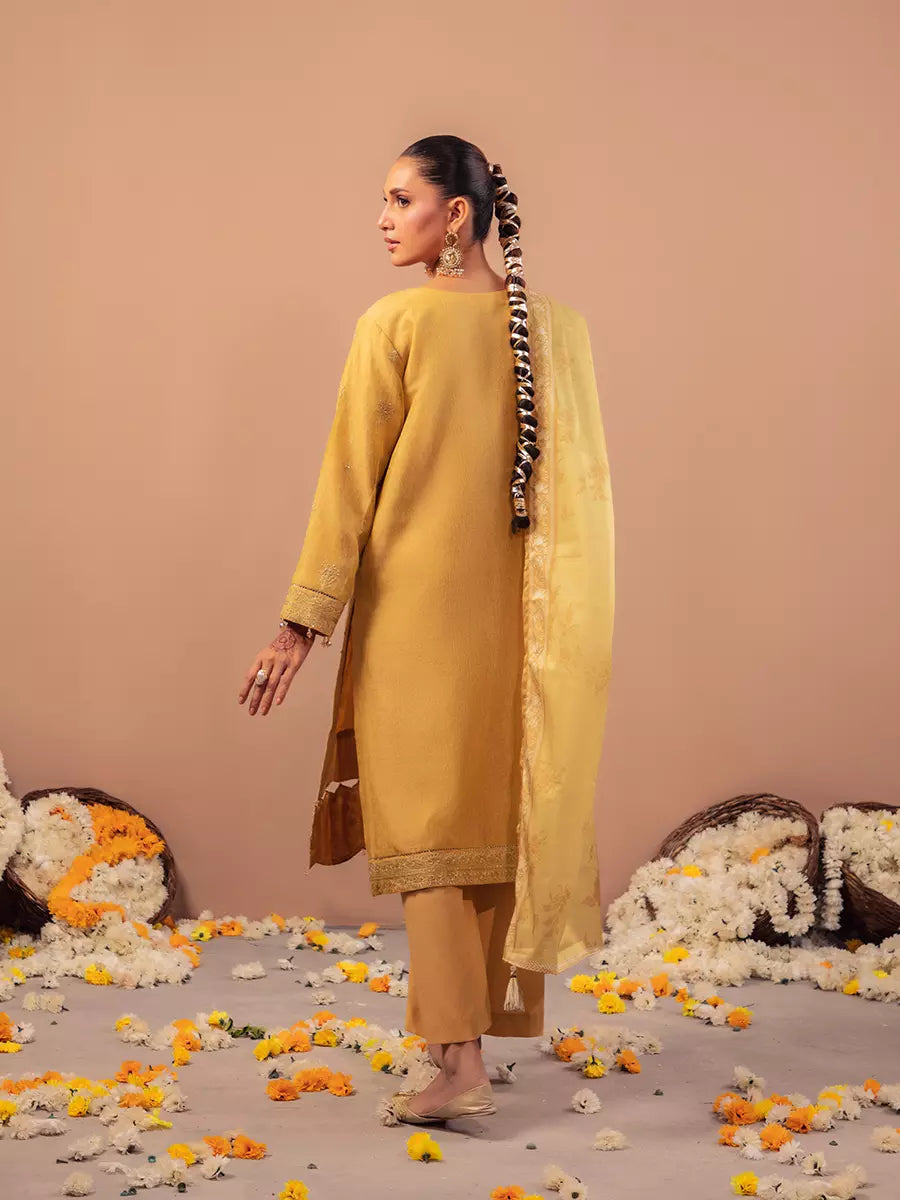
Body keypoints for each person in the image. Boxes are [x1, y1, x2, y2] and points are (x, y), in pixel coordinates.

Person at [238, 135, 615, 1124]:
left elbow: (347, 484)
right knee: (486, 822)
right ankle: (467, 1041)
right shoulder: (557, 332)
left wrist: (300, 624)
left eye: (401, 199)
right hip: (524, 625)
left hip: (415, 617)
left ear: (457, 215)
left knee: (431, 829)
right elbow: (583, 500)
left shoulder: (394, 322)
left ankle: (459, 1062)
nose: (382, 218)